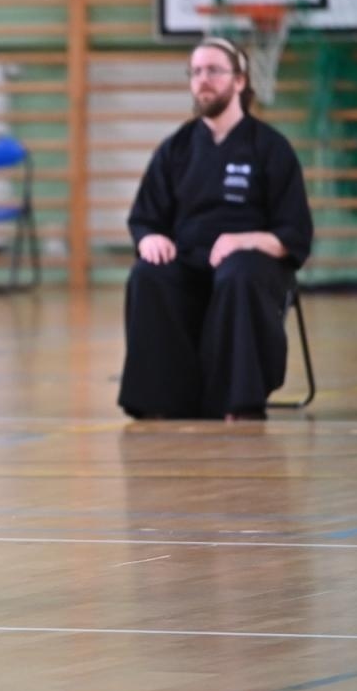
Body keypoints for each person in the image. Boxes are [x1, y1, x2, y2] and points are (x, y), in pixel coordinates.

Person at [118, 36, 313, 421]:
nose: (203, 80)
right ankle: (163, 402)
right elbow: (146, 217)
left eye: (214, 71)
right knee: (148, 275)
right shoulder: (177, 148)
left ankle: (237, 403)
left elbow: (294, 233)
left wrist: (245, 241)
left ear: (239, 81)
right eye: (196, 72)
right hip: (189, 262)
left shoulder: (271, 148)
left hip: (253, 267)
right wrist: (151, 237)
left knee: (239, 273)